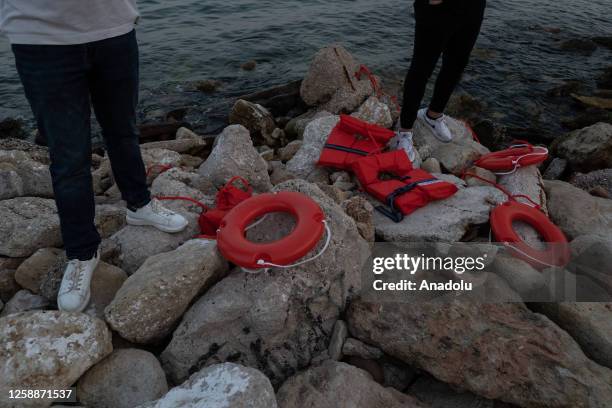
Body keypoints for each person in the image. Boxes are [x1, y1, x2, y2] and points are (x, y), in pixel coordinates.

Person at [0, 1, 188, 312]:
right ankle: (82, 252)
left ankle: (139, 203)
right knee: (69, 157)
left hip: (113, 28)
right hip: (41, 37)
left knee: (123, 131)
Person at [391, 0, 487, 163]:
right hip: (438, 10)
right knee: (422, 67)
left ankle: (433, 115)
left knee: (456, 64)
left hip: (473, 7)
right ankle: (404, 132)